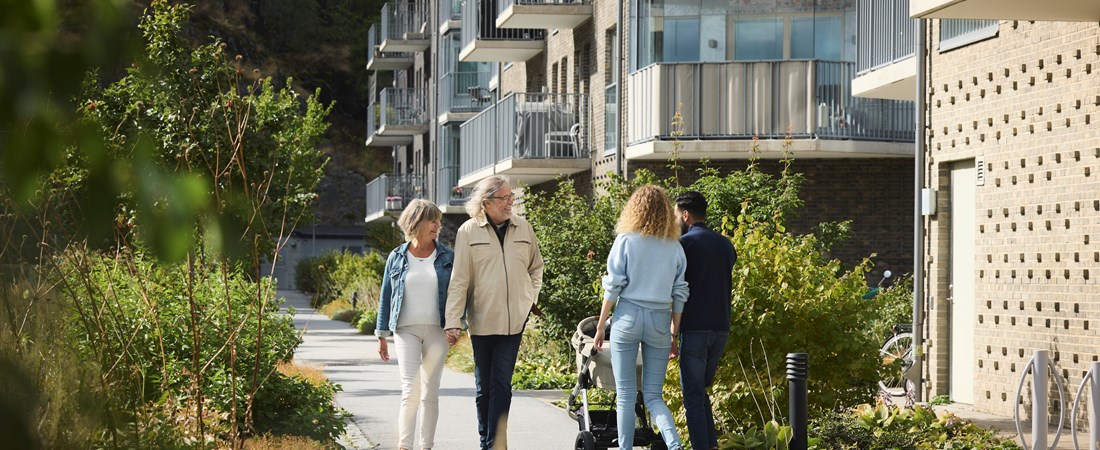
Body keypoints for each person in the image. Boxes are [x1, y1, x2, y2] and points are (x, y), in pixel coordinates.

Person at [444, 175, 544, 450]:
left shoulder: (523, 228)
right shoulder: (468, 231)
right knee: (484, 389)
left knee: (502, 384)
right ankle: (485, 439)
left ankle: (495, 444)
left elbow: (536, 267)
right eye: (505, 198)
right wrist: (453, 320)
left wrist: (529, 297)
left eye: (512, 197)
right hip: (482, 321)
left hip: (514, 323)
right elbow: (459, 280)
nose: (511, 202)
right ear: (486, 202)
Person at [594, 184, 687, 450]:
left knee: (624, 394)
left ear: (635, 209)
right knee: (653, 396)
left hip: (628, 316)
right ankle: (674, 444)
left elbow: (612, 287)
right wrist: (673, 333)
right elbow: (680, 293)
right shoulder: (674, 247)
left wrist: (601, 327)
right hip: (660, 319)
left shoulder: (626, 240)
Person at [375, 199, 454, 450]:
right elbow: (386, 295)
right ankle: (404, 446)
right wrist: (381, 335)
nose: (438, 225)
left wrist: (456, 324)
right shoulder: (396, 257)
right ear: (416, 222)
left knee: (430, 392)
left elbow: (458, 293)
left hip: (437, 331)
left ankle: (426, 446)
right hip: (405, 330)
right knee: (410, 390)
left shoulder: (447, 257)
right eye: (432, 220)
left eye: (438, 220)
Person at [674, 191, 737, 450]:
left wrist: (672, 330)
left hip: (695, 327)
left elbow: (676, 287)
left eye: (677, 215)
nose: (676, 219)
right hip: (721, 327)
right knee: (700, 390)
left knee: (692, 394)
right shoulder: (726, 244)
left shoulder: (684, 245)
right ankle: (710, 446)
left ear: (686, 215)